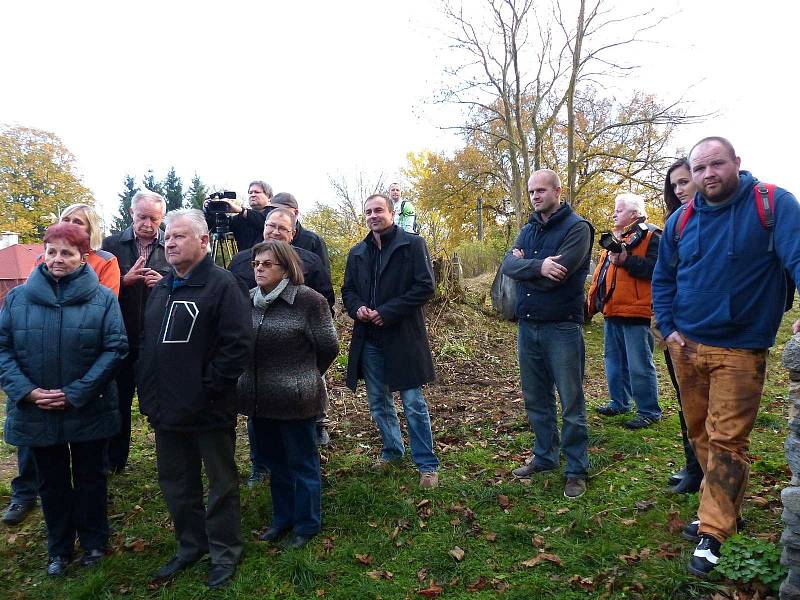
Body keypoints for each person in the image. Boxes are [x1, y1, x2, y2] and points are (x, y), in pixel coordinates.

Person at [652, 136, 800, 577]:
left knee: (727, 440)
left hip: (740, 348)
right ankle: (721, 509)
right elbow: (664, 278)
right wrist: (670, 329)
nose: (708, 174)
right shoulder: (681, 220)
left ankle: (714, 532)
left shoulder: (773, 205)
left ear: (736, 162)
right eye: (699, 169)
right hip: (688, 347)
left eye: (716, 164)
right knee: (699, 431)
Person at [0, 223, 128, 576]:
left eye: (67, 253)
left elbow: (115, 348)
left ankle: (94, 543)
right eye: (51, 251)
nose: (57, 259)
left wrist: (76, 393)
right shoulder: (18, 298)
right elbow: (3, 349)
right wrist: (27, 391)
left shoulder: (102, 299)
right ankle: (58, 548)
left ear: (83, 257)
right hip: (37, 410)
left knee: (91, 477)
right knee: (50, 482)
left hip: (89, 408)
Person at [137, 209, 251, 588]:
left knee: (220, 484)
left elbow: (237, 347)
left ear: (203, 242)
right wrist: (149, 394)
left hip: (208, 409)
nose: (169, 242)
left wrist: (205, 389)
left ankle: (224, 551)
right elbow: (150, 347)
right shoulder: (164, 287)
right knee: (176, 482)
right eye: (167, 236)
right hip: (166, 409)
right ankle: (190, 546)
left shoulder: (222, 285)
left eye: (179, 236)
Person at [237, 240, 338, 548]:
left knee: (302, 463)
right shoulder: (250, 300)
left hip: (297, 399)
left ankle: (307, 525)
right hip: (259, 399)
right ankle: (282, 519)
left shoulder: (309, 301)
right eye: (256, 264)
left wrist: (304, 375)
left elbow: (329, 347)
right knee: (274, 463)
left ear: (286, 268)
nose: (259, 269)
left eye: (267, 264)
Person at [500, 169, 593, 499]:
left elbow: (561, 276)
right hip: (528, 327)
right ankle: (545, 456)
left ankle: (576, 468)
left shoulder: (578, 229)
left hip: (562, 327)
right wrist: (539, 266)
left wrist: (527, 268)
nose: (535, 196)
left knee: (570, 402)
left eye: (541, 190)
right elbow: (507, 267)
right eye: (531, 192)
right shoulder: (527, 229)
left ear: (558, 191)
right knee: (536, 397)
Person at [229, 207, 336, 485]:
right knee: (264, 437)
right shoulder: (241, 265)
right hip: (256, 379)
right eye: (270, 225)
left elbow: (328, 342)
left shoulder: (310, 271)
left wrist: (306, 370)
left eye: (282, 228)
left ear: (293, 233)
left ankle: (305, 512)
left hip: (295, 380)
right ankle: (262, 471)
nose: (275, 231)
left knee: (298, 450)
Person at [342, 193, 440, 489]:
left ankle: (427, 464)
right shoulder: (357, 252)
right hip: (368, 337)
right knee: (378, 401)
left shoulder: (412, 244)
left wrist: (387, 312)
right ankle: (392, 451)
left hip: (403, 336)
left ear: (391, 212)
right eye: (369, 211)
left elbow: (425, 286)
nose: (373, 215)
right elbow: (347, 290)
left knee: (412, 402)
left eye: (379, 210)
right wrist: (356, 307)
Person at [102, 190, 170, 474]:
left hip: (159, 338)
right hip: (121, 335)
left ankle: (168, 461)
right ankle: (115, 462)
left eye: (154, 218)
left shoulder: (172, 242)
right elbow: (100, 289)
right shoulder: (112, 244)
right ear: (131, 214)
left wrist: (165, 282)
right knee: (118, 400)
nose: (147, 224)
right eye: (142, 217)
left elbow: (187, 281)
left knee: (161, 402)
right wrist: (123, 280)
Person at [588, 193, 662, 429]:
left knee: (639, 364)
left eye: (618, 210)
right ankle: (619, 402)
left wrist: (626, 260)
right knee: (614, 361)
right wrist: (591, 306)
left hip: (638, 313)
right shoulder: (616, 240)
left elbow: (658, 270)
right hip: (613, 310)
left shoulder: (652, 235)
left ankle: (649, 410)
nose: (614, 214)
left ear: (634, 213)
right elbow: (600, 277)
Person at [661, 159, 703, 494]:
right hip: (674, 327)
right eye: (674, 185)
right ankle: (694, 466)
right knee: (684, 399)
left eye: (684, 182)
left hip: (707, 329)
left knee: (708, 407)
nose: (679, 190)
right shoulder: (676, 224)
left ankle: (704, 471)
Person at [269, 192, 331, 275]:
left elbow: (323, 276)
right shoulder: (265, 236)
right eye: (273, 210)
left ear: (296, 213)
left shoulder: (313, 241)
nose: (278, 213)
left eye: (284, 210)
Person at [225, 180, 274, 251]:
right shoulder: (241, 218)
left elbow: (262, 220)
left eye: (257, 192)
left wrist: (242, 210)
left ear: (269, 197)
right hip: (244, 260)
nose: (252, 195)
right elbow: (218, 226)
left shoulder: (275, 215)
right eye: (250, 192)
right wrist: (208, 210)